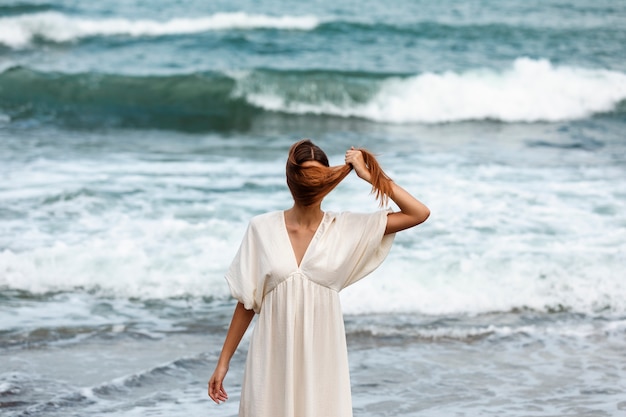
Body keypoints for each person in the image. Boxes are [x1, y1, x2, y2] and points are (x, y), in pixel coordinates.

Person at [208, 139, 430, 417]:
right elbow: (247, 301)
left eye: (317, 176)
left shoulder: (346, 228)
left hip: (322, 358)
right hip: (272, 357)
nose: (310, 182)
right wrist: (223, 362)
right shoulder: (261, 228)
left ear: (328, 182)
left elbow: (418, 213)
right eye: (304, 175)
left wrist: (370, 175)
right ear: (290, 180)